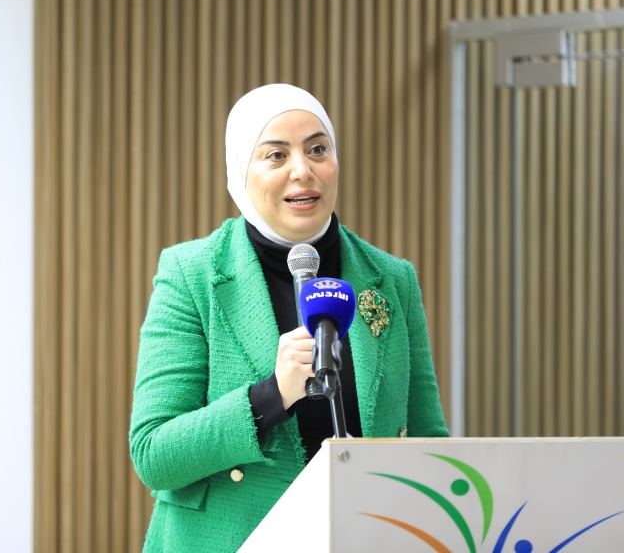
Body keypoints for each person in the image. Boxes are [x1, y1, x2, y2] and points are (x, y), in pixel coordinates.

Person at [129, 84, 448, 552]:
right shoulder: (191, 274)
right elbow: (154, 454)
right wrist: (271, 395)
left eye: (318, 149)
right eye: (276, 155)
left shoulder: (391, 278)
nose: (303, 170)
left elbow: (426, 442)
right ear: (241, 170)